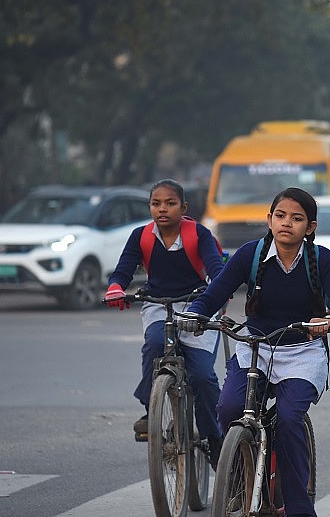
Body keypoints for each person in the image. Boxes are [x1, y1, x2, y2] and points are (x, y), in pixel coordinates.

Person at [184, 187, 330, 517]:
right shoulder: (250, 254)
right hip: (256, 348)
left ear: (311, 227)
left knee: (290, 420)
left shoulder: (324, 261)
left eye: (296, 218)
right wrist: (196, 313)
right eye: (280, 216)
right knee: (229, 406)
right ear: (269, 219)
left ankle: (299, 509)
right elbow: (216, 292)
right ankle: (236, 483)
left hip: (302, 352)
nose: (286, 223)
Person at [104, 179, 225, 468]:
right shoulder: (141, 236)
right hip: (159, 304)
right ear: (150, 207)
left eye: (170, 203)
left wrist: (220, 287)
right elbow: (123, 269)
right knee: (155, 345)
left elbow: (216, 268)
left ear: (183, 207)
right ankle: (152, 409)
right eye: (156, 203)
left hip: (198, 306)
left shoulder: (199, 234)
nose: (162, 209)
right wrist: (115, 288)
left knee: (203, 378)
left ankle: (214, 438)